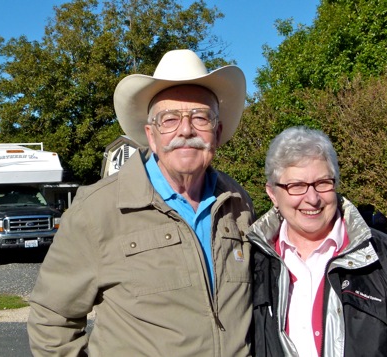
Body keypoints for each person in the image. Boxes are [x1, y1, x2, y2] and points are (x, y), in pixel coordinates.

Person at [27, 49, 255, 356]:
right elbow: (51, 323)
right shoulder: (97, 210)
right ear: (151, 135)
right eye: (169, 119)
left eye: (201, 117)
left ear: (218, 131)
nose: (185, 130)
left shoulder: (237, 204)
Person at [248, 126, 387, 356]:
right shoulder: (252, 260)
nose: (312, 198)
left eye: (323, 183)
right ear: (272, 194)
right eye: (297, 186)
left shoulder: (384, 256)